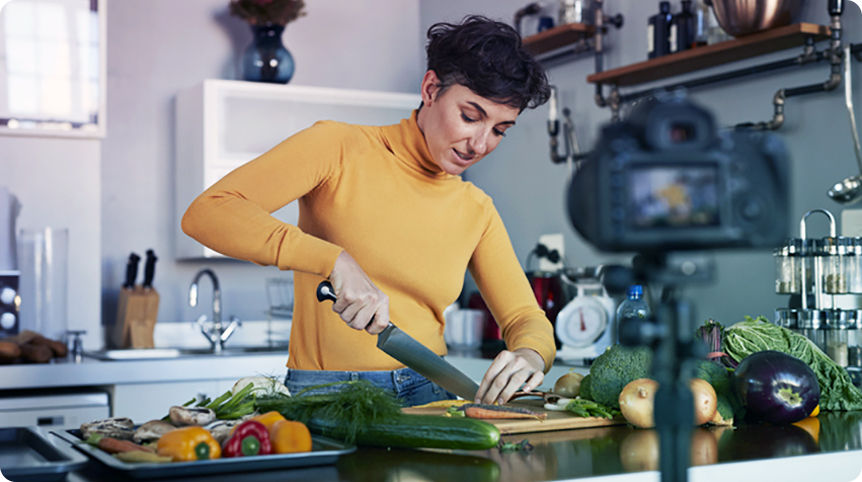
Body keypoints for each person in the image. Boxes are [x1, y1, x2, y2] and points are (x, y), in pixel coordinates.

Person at [182, 14, 556, 407]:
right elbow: (208, 212)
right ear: (431, 89)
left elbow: (524, 319)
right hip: (327, 397)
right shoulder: (338, 148)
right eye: (470, 116)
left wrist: (530, 353)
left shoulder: (476, 209)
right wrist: (333, 260)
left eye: (499, 130)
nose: (480, 144)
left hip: (432, 394)